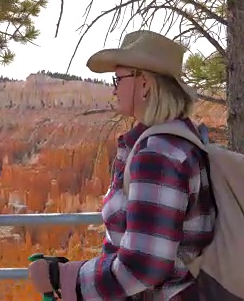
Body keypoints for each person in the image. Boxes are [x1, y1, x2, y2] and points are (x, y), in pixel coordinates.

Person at [28, 30, 216, 300]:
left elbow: (143, 267)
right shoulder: (180, 141)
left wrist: (64, 278)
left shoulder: (158, 155)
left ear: (145, 85)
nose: (113, 88)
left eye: (118, 79)